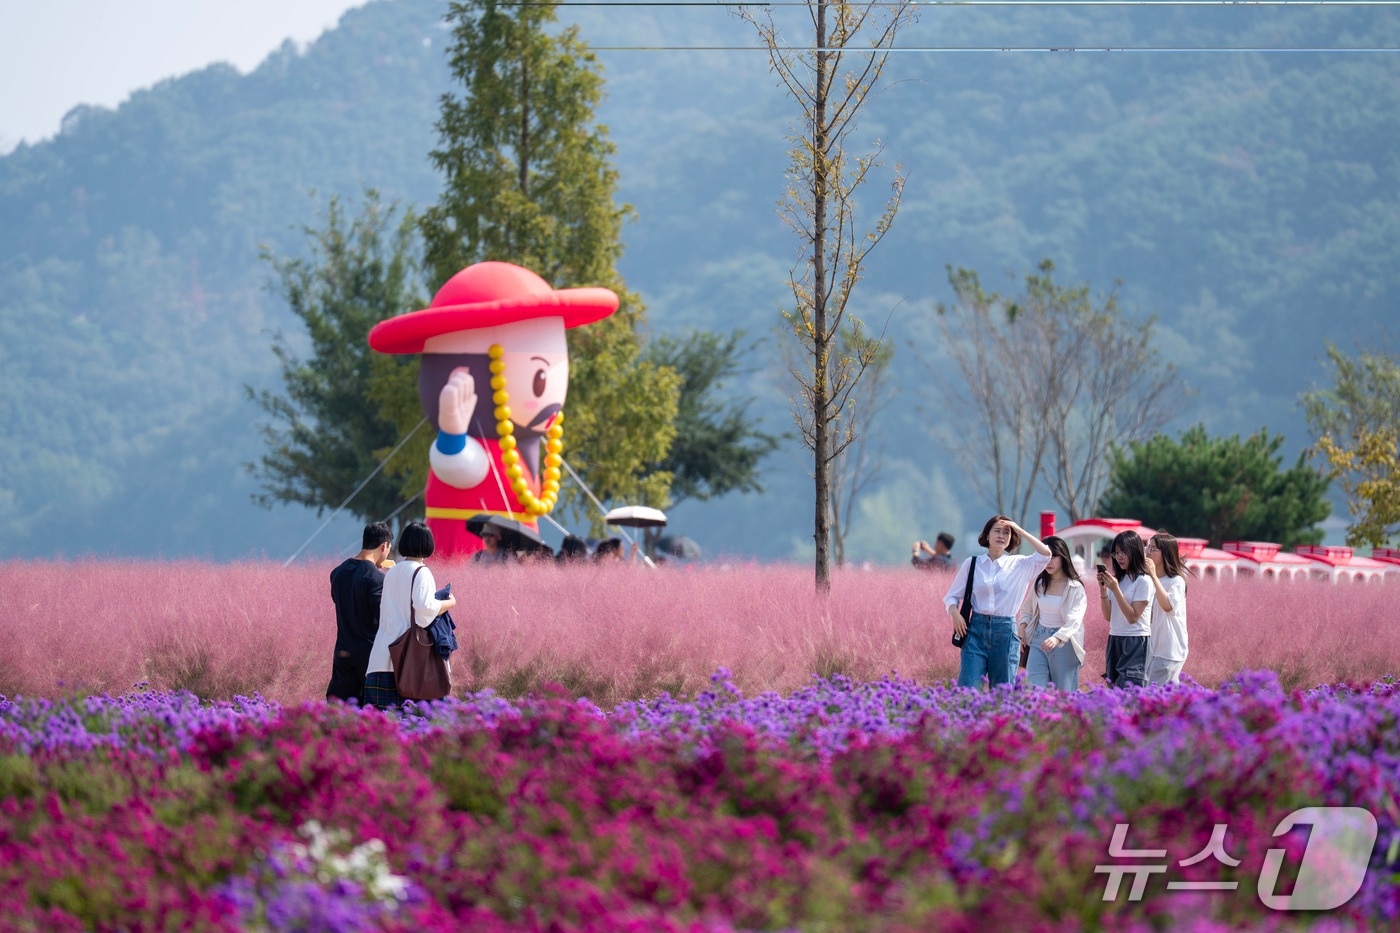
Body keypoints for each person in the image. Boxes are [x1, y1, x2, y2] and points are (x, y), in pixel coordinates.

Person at [944, 516, 1052, 690]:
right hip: (975, 631)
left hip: (1006, 632)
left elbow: (1045, 554)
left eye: (1006, 532)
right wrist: (955, 614)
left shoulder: (1019, 564)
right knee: (967, 689)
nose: (1001, 535)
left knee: (1002, 693)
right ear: (987, 535)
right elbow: (951, 596)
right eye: (997, 531)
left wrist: (1019, 529)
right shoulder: (972, 564)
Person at [363, 522, 458, 709]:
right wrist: (449, 603)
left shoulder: (392, 572)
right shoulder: (421, 572)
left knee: (380, 724)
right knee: (416, 722)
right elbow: (424, 613)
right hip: (409, 664)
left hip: (380, 659)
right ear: (428, 544)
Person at [326, 522, 393, 703]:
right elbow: (383, 618)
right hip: (368, 658)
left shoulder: (337, 573)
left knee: (339, 710)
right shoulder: (377, 579)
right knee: (368, 712)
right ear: (384, 546)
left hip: (342, 653)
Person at [1016, 535, 1086, 691]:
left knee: (1064, 693)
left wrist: (1057, 637)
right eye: (1046, 556)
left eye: (1053, 556)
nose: (1049, 561)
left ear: (1063, 557)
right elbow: (1027, 610)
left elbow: (1075, 620)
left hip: (1064, 643)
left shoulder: (1075, 587)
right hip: (1038, 639)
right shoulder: (1040, 583)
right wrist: (1022, 627)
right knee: (1035, 690)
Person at [1098, 530, 1152, 688]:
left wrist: (1115, 589)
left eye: (1124, 552)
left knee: (1129, 690)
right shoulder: (1117, 580)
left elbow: (1133, 617)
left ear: (1134, 551)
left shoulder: (1143, 581)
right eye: (1116, 553)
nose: (1119, 557)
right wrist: (1103, 590)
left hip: (1135, 640)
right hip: (1115, 637)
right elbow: (1108, 616)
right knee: (1113, 687)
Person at [1145, 532, 1190, 685]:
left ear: (1166, 553)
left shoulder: (1176, 581)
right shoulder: (1148, 580)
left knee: (1153, 693)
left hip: (1169, 650)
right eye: (1148, 548)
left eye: (1153, 549)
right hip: (1153, 650)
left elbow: (1167, 605)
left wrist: (1153, 576)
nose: (1148, 552)